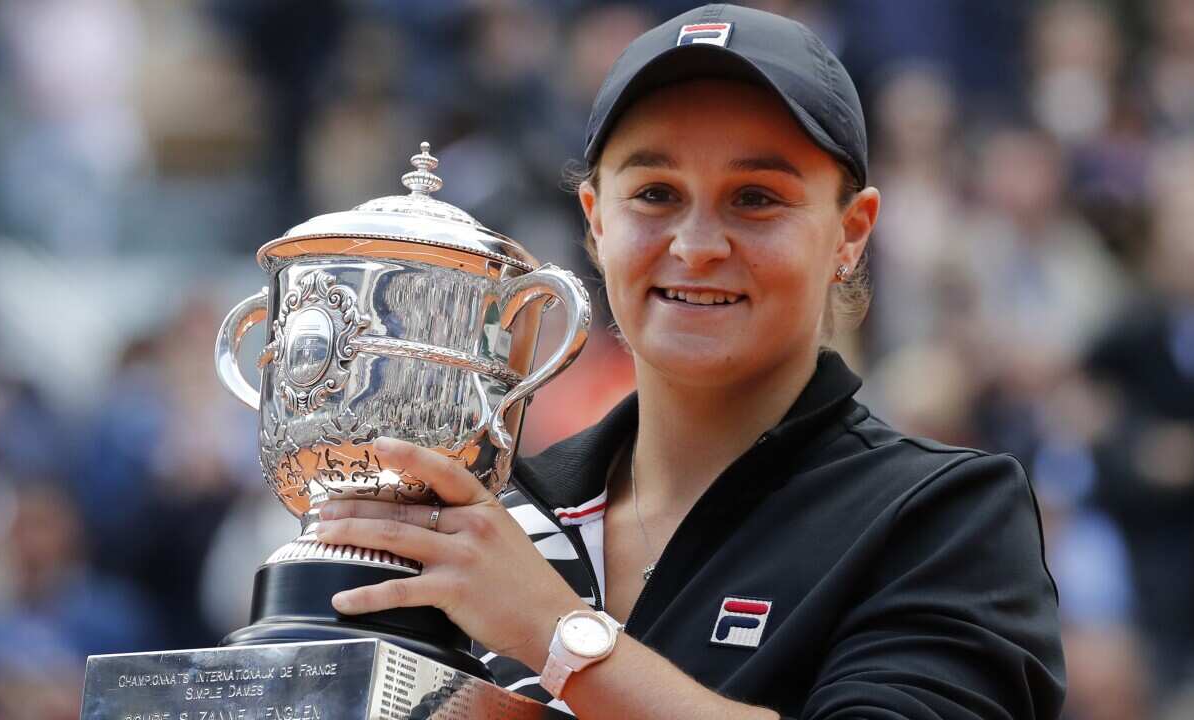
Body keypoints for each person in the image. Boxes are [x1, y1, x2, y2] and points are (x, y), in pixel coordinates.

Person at [312, 5, 1067, 718]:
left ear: (851, 233)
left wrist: (557, 632)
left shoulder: (942, 515)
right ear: (595, 222)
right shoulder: (493, 527)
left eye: (756, 198)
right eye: (656, 192)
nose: (698, 245)